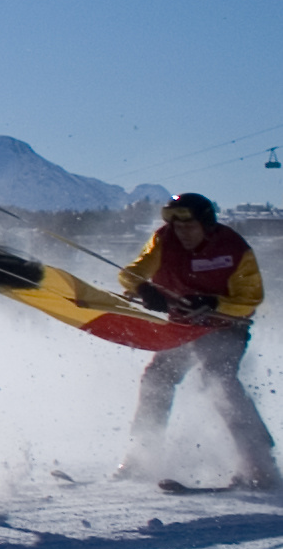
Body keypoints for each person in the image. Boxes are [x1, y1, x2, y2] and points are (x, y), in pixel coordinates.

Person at [115, 193, 277, 489]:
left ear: (206, 224)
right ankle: (141, 455)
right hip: (182, 328)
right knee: (157, 378)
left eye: (189, 226)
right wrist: (144, 289)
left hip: (226, 327)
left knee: (218, 378)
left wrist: (214, 303)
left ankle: (258, 461)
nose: (182, 233)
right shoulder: (163, 241)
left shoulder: (234, 248)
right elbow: (129, 275)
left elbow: (251, 298)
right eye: (177, 227)